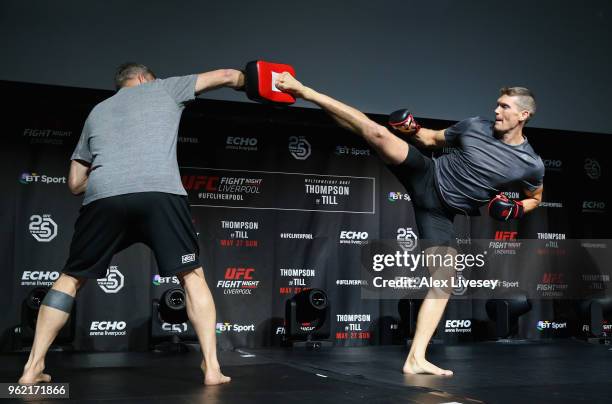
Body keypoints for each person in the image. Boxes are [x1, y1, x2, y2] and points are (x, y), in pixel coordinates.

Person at [275, 73, 544, 375]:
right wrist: (412, 129)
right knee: (376, 133)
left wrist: (518, 208)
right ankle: (306, 91)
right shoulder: (474, 126)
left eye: (505, 107)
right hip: (425, 174)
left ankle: (416, 359)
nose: (496, 111)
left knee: (443, 282)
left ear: (524, 115)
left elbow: (536, 196)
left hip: (440, 213)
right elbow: (429, 139)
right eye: (497, 105)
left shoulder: (531, 164)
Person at [19, 63, 244, 385]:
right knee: (191, 276)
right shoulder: (162, 88)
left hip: (103, 197)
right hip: (159, 193)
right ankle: (211, 369)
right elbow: (226, 76)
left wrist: (113, 171)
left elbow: (74, 182)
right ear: (143, 78)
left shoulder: (97, 111)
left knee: (69, 279)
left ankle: (31, 369)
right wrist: (258, 80)